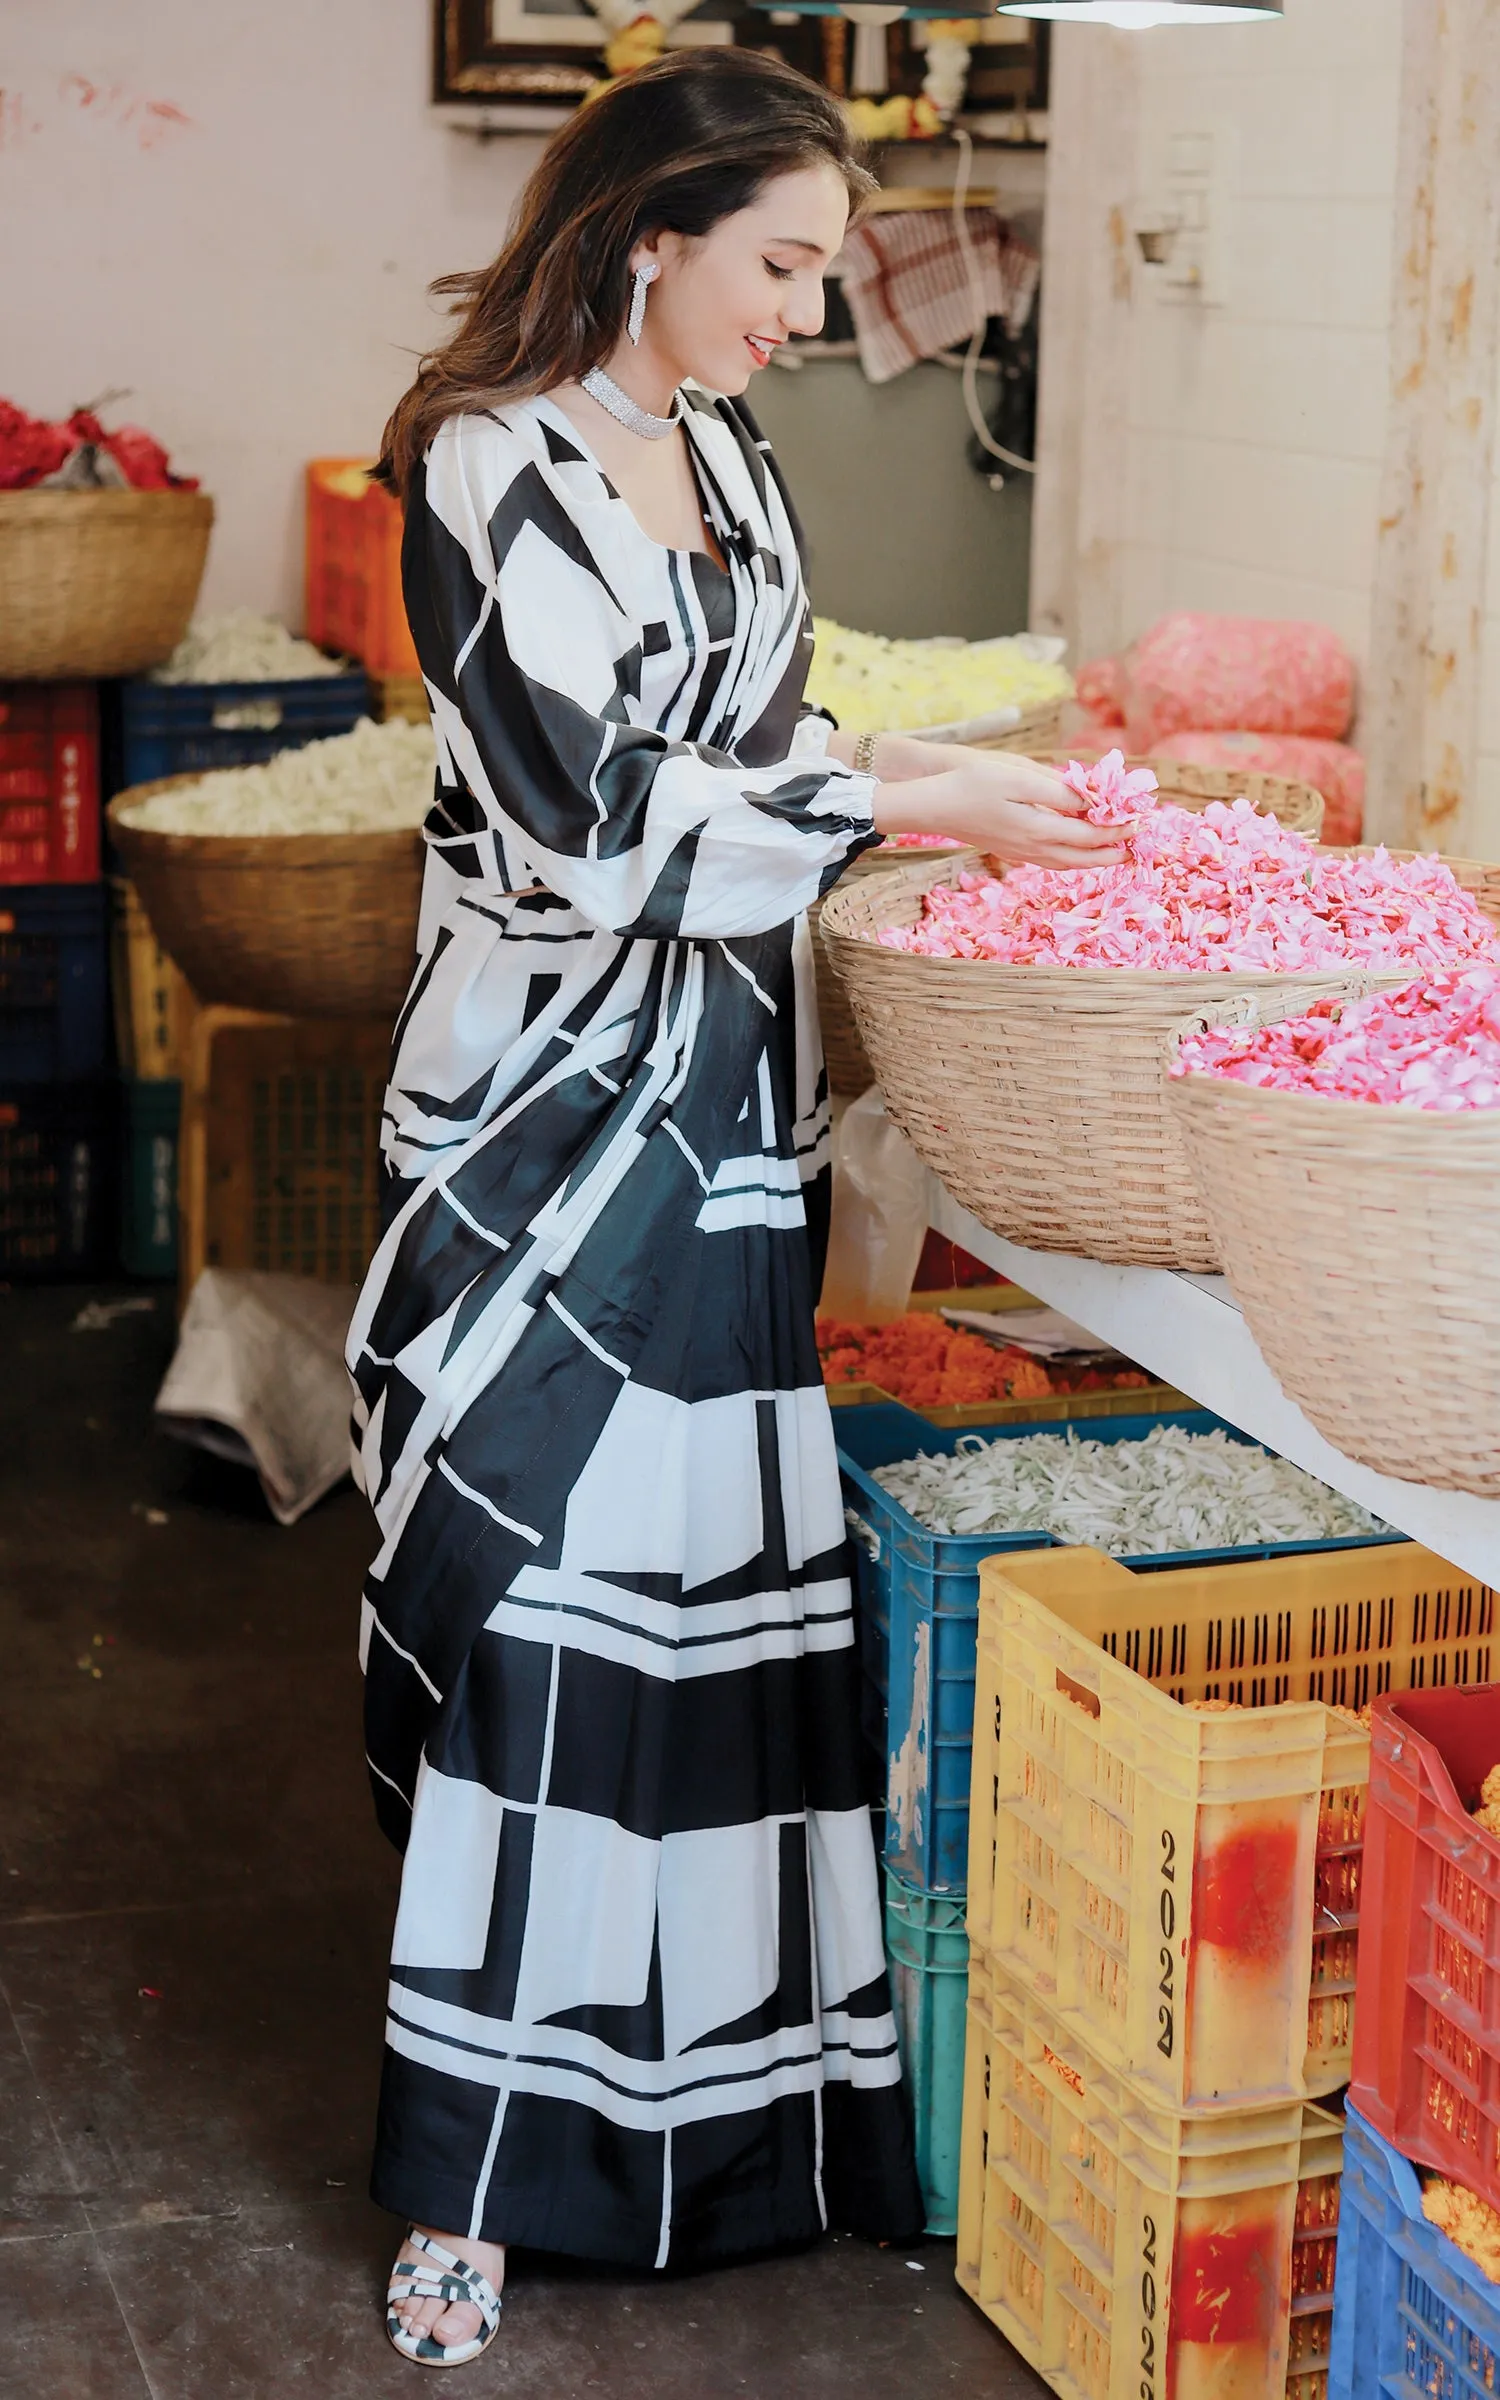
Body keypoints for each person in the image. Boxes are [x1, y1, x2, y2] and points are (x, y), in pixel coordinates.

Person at [350, 45, 1123, 2370]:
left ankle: (736, 2147)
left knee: (719, 1618)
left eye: (820, 263)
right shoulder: (486, 471)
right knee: (540, 1631)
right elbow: (598, 821)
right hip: (541, 1133)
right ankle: (471, 2189)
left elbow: (765, 750)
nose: (811, 303)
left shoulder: (735, 465)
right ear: (647, 231)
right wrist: (915, 811)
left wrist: (937, 775)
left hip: (726, 1111)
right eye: (781, 259)